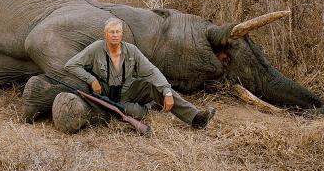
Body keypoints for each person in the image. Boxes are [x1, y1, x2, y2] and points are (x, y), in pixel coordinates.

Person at [64, 17, 216, 129]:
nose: (115, 35)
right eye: (112, 32)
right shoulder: (96, 48)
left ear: (122, 34)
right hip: (107, 95)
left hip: (129, 90)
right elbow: (71, 65)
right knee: (137, 113)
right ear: (105, 34)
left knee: (154, 86)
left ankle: (196, 118)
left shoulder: (131, 50)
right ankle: (149, 107)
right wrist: (91, 80)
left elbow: (152, 71)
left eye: (118, 32)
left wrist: (167, 92)